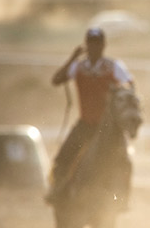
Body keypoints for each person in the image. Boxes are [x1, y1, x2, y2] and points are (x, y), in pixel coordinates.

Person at [45, 27, 134, 205]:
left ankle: (122, 197)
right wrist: (72, 58)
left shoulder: (113, 66)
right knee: (62, 157)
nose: (94, 47)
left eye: (98, 44)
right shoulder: (78, 67)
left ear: (103, 45)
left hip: (109, 129)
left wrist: (118, 94)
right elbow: (56, 80)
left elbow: (130, 86)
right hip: (86, 124)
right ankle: (57, 192)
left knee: (125, 160)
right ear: (86, 45)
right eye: (91, 44)